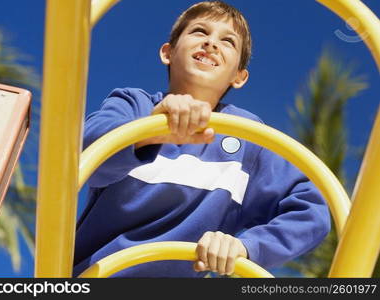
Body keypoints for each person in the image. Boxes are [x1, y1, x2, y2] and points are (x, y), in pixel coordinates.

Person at [73, 1, 330, 277]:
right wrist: (149, 132)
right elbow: (86, 153)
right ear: (167, 52)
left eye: (228, 41)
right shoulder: (133, 104)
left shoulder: (248, 136)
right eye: (199, 31)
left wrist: (246, 246)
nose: (211, 43)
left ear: (239, 77)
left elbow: (311, 210)